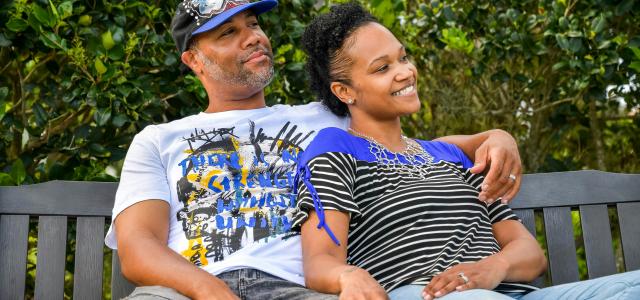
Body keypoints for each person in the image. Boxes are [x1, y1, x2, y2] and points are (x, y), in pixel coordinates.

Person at [105, 1, 524, 299]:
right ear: (194, 60)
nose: (253, 37)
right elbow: (139, 247)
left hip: (300, 287)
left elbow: (415, 149)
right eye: (229, 33)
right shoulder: (157, 139)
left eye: (253, 23)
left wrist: (495, 136)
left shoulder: (329, 117)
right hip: (188, 292)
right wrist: (211, 291)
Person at [292, 3, 640, 300]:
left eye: (403, 58)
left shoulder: (448, 154)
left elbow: (530, 254)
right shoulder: (332, 151)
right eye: (383, 68)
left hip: (503, 291)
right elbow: (321, 260)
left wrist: (493, 267)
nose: (404, 72)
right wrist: (346, 276)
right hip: (420, 291)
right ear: (344, 91)